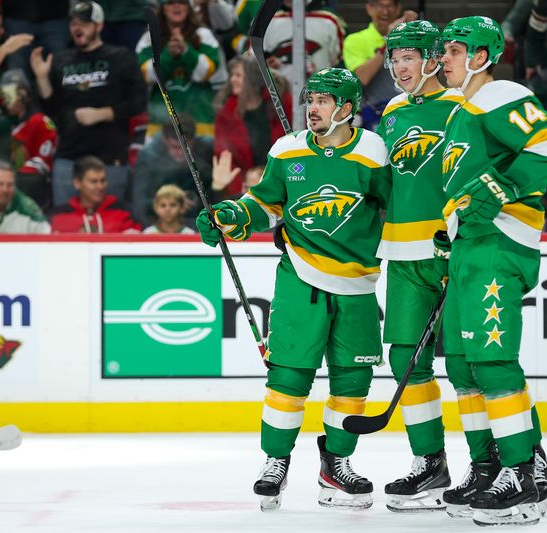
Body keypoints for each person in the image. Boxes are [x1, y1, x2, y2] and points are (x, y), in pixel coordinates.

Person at [196, 67, 390, 511]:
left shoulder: (374, 152)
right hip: (300, 277)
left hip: (359, 284)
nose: (312, 109)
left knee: (353, 379)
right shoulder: (288, 149)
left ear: (346, 108)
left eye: (323, 101)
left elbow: (394, 209)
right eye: (310, 101)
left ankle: (336, 465)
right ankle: (275, 462)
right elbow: (265, 203)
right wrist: (231, 217)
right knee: (288, 375)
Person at [438, 16, 547, 526]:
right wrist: (449, 224)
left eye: (453, 50)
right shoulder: (462, 111)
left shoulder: (500, 95)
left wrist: (499, 189)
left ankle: (519, 472)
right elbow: (469, 186)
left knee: (493, 364)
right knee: (465, 369)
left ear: (479, 55)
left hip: (499, 245)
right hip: (469, 247)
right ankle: (489, 465)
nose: (443, 59)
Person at [374, 20, 464, 513]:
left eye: (408, 57)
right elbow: (383, 180)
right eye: (394, 58)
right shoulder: (390, 111)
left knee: (472, 364)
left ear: (432, 58)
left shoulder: (461, 106)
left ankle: (501, 464)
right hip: (403, 256)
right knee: (405, 360)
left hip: (451, 251)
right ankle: (430, 463)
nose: (398, 67)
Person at [30, 1, 146, 207]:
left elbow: (139, 102)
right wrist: (41, 78)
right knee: (66, 227)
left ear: (99, 25)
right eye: (73, 23)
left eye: (84, 22)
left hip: (110, 159)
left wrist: (104, 113)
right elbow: (52, 108)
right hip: (68, 158)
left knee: (113, 226)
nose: (77, 27)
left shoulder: (120, 57)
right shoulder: (60, 60)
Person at [136, 0, 227, 138]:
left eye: (182, 2)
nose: (177, 5)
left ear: (188, 7)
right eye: (171, 2)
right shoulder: (149, 38)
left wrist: (186, 51)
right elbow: (147, 76)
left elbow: (205, 73)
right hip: (161, 122)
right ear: (163, 8)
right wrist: (168, 54)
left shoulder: (204, 35)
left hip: (201, 120)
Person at [213, 55, 292, 198]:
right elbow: (226, 161)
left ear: (253, 79)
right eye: (232, 75)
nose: (232, 80)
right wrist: (243, 194)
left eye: (238, 75)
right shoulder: (225, 115)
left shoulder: (280, 104)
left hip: (282, 184)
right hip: (246, 190)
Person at [342, 0, 415, 130]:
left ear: (398, 8)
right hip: (374, 116)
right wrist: (389, 40)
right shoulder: (355, 40)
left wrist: (416, 31)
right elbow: (361, 78)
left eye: (390, 6)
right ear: (369, 8)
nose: (385, 11)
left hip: (410, 111)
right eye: (379, 6)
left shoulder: (409, 36)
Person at [132, 113, 213, 226]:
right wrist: (172, 202)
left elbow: (213, 197)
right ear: (165, 139)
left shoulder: (206, 151)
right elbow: (139, 205)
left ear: (193, 141)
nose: (181, 153)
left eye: (185, 148)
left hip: (197, 221)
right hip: (157, 225)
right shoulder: (149, 157)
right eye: (175, 147)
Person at [0, 70, 57, 210]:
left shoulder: (40, 122)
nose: (11, 98)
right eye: (6, 93)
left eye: (17, 91)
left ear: (26, 95)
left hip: (30, 195)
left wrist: (6, 176)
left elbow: (42, 165)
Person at [262, 0, 346, 90]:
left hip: (318, 95)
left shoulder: (330, 20)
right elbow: (253, 63)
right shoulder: (266, 21)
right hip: (277, 98)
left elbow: (339, 64)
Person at [50, 155, 142, 233]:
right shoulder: (59, 215)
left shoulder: (124, 212)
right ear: (77, 183)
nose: (100, 187)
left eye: (103, 181)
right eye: (93, 182)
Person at [0, 159, 50, 234]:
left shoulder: (27, 208)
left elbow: (46, 236)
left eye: (10, 185)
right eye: (0, 184)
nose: (5, 190)